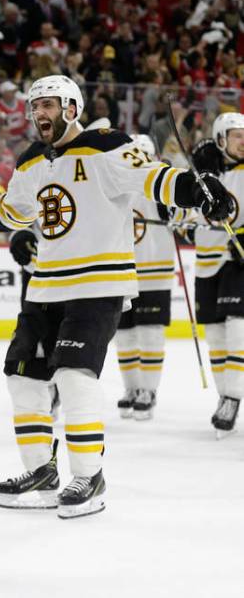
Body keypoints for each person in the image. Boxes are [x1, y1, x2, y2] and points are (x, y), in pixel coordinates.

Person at [0, 75, 231, 519]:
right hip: (45, 285)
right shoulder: (31, 161)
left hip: (97, 285)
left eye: (49, 106)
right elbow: (14, 210)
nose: (39, 114)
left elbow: (155, 178)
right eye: (34, 107)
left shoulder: (107, 146)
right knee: (23, 375)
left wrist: (197, 190)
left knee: (75, 375)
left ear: (72, 108)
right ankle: (41, 470)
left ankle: (89, 475)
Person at [188, 112, 244, 437]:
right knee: (216, 336)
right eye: (236, 135)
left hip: (237, 261)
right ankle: (226, 396)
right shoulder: (205, 174)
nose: (243, 141)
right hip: (207, 260)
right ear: (221, 139)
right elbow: (184, 209)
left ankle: (234, 394)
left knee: (237, 324)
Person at [112, 134, 175, 421]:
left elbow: (178, 211)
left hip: (155, 270)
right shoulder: (114, 185)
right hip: (122, 271)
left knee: (150, 333)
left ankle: (148, 390)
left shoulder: (159, 186)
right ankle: (132, 389)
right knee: (124, 336)